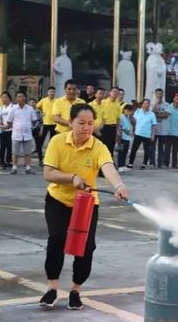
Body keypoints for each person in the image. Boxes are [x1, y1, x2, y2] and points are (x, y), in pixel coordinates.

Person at [40, 103, 128, 309]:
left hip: (86, 204)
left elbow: (108, 167)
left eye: (90, 123)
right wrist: (72, 178)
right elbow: (48, 173)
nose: (86, 127)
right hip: (58, 200)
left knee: (86, 247)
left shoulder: (98, 146)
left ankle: (76, 290)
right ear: (71, 122)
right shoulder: (57, 141)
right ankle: (52, 288)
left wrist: (119, 185)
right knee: (57, 239)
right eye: (81, 123)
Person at [7, 91, 37, 175]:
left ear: (25, 98)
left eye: (22, 96)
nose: (20, 98)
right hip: (16, 134)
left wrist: (30, 126)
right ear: (16, 98)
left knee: (27, 153)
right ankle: (14, 168)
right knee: (15, 152)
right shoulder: (13, 109)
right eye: (19, 97)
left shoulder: (30, 108)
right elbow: (9, 121)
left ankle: (28, 168)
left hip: (27, 134)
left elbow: (34, 120)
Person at [127, 99, 157, 170]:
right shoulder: (137, 111)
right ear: (142, 104)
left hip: (147, 135)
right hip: (138, 134)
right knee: (134, 149)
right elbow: (133, 122)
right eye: (145, 103)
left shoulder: (152, 114)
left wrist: (153, 134)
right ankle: (130, 163)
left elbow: (154, 125)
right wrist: (131, 130)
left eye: (148, 104)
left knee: (147, 150)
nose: (146, 105)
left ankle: (144, 164)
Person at [164, 93, 178, 169]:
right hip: (168, 132)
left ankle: (174, 164)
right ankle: (166, 163)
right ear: (174, 99)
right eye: (176, 99)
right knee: (167, 149)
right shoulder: (168, 107)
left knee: (175, 150)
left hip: (177, 132)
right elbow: (164, 116)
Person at [100, 87, 122, 159]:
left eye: (117, 92)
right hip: (104, 127)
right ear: (110, 92)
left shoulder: (118, 105)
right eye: (113, 91)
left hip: (113, 128)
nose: (115, 93)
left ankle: (110, 163)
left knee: (111, 146)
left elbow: (118, 119)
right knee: (103, 146)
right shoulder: (103, 102)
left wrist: (118, 131)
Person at [36, 86, 57, 160]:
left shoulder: (57, 101)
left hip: (54, 124)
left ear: (55, 93)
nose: (51, 93)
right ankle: (40, 159)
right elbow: (37, 107)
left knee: (52, 143)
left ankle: (50, 159)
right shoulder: (43, 100)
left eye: (53, 92)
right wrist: (41, 113)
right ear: (47, 93)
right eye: (50, 91)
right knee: (40, 142)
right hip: (45, 124)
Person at [151, 88, 170, 168]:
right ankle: (152, 163)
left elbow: (166, 115)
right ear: (155, 95)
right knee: (152, 147)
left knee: (161, 148)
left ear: (163, 94)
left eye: (161, 94)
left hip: (163, 130)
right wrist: (155, 105)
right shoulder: (151, 104)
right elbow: (150, 114)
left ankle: (160, 163)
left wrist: (156, 114)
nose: (159, 95)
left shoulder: (166, 105)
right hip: (154, 130)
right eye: (158, 94)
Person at [0, 92, 14, 169]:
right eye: (2, 97)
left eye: (6, 97)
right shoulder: (1, 108)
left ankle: (8, 161)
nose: (4, 99)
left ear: (9, 98)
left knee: (10, 146)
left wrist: (8, 125)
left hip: (11, 129)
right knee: (2, 147)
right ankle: (2, 161)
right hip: (3, 130)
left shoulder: (13, 107)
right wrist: (1, 125)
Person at [117, 104, 134, 171]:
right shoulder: (121, 117)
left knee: (125, 152)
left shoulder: (129, 118)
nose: (129, 112)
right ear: (124, 110)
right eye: (128, 110)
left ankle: (123, 165)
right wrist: (119, 135)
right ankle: (120, 165)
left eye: (130, 111)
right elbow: (120, 126)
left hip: (127, 137)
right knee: (121, 151)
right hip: (122, 137)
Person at [30, 98, 44, 165]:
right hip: (28, 130)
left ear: (36, 103)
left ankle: (40, 160)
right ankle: (27, 161)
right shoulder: (27, 111)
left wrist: (41, 130)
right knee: (27, 145)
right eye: (30, 102)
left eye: (33, 102)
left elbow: (41, 122)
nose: (32, 104)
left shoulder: (38, 112)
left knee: (38, 146)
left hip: (37, 129)